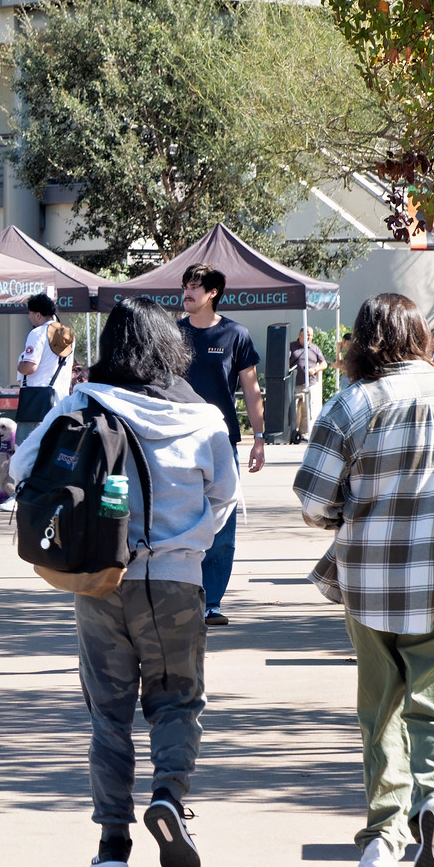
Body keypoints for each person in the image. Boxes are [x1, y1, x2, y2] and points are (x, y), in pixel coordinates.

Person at [11, 297, 238, 867]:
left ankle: (113, 844)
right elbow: (225, 496)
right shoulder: (205, 417)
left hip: (99, 576)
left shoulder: (85, 403)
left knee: (107, 713)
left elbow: (21, 471)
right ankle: (167, 794)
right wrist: (191, 543)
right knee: (178, 699)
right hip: (176, 581)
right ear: (169, 346)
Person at [294, 294, 434, 867]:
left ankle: (384, 837)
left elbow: (313, 498)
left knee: (380, 709)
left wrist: (349, 511)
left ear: (363, 340)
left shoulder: (351, 404)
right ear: (420, 336)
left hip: (369, 577)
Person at [178, 264, 265, 626]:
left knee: (222, 526)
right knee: (179, 520)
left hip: (220, 442)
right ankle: (182, 596)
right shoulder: (172, 332)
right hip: (178, 440)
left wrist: (259, 439)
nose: (187, 291)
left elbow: (251, 390)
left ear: (212, 293)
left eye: (195, 286)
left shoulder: (235, 334)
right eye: (185, 285)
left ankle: (211, 601)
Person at [14, 294, 66, 448]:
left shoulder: (37, 333)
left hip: (36, 401)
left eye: (29, 314)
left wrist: (19, 365)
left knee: (26, 450)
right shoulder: (67, 333)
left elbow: (30, 367)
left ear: (38, 314)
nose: (29, 318)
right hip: (60, 400)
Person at [291, 334, 327, 437]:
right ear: (300, 335)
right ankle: (293, 433)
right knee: (293, 411)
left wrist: (315, 369)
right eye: (307, 335)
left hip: (309, 384)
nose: (309, 337)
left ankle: (304, 434)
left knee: (307, 410)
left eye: (311, 335)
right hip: (295, 385)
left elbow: (324, 364)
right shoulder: (292, 347)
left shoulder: (314, 348)